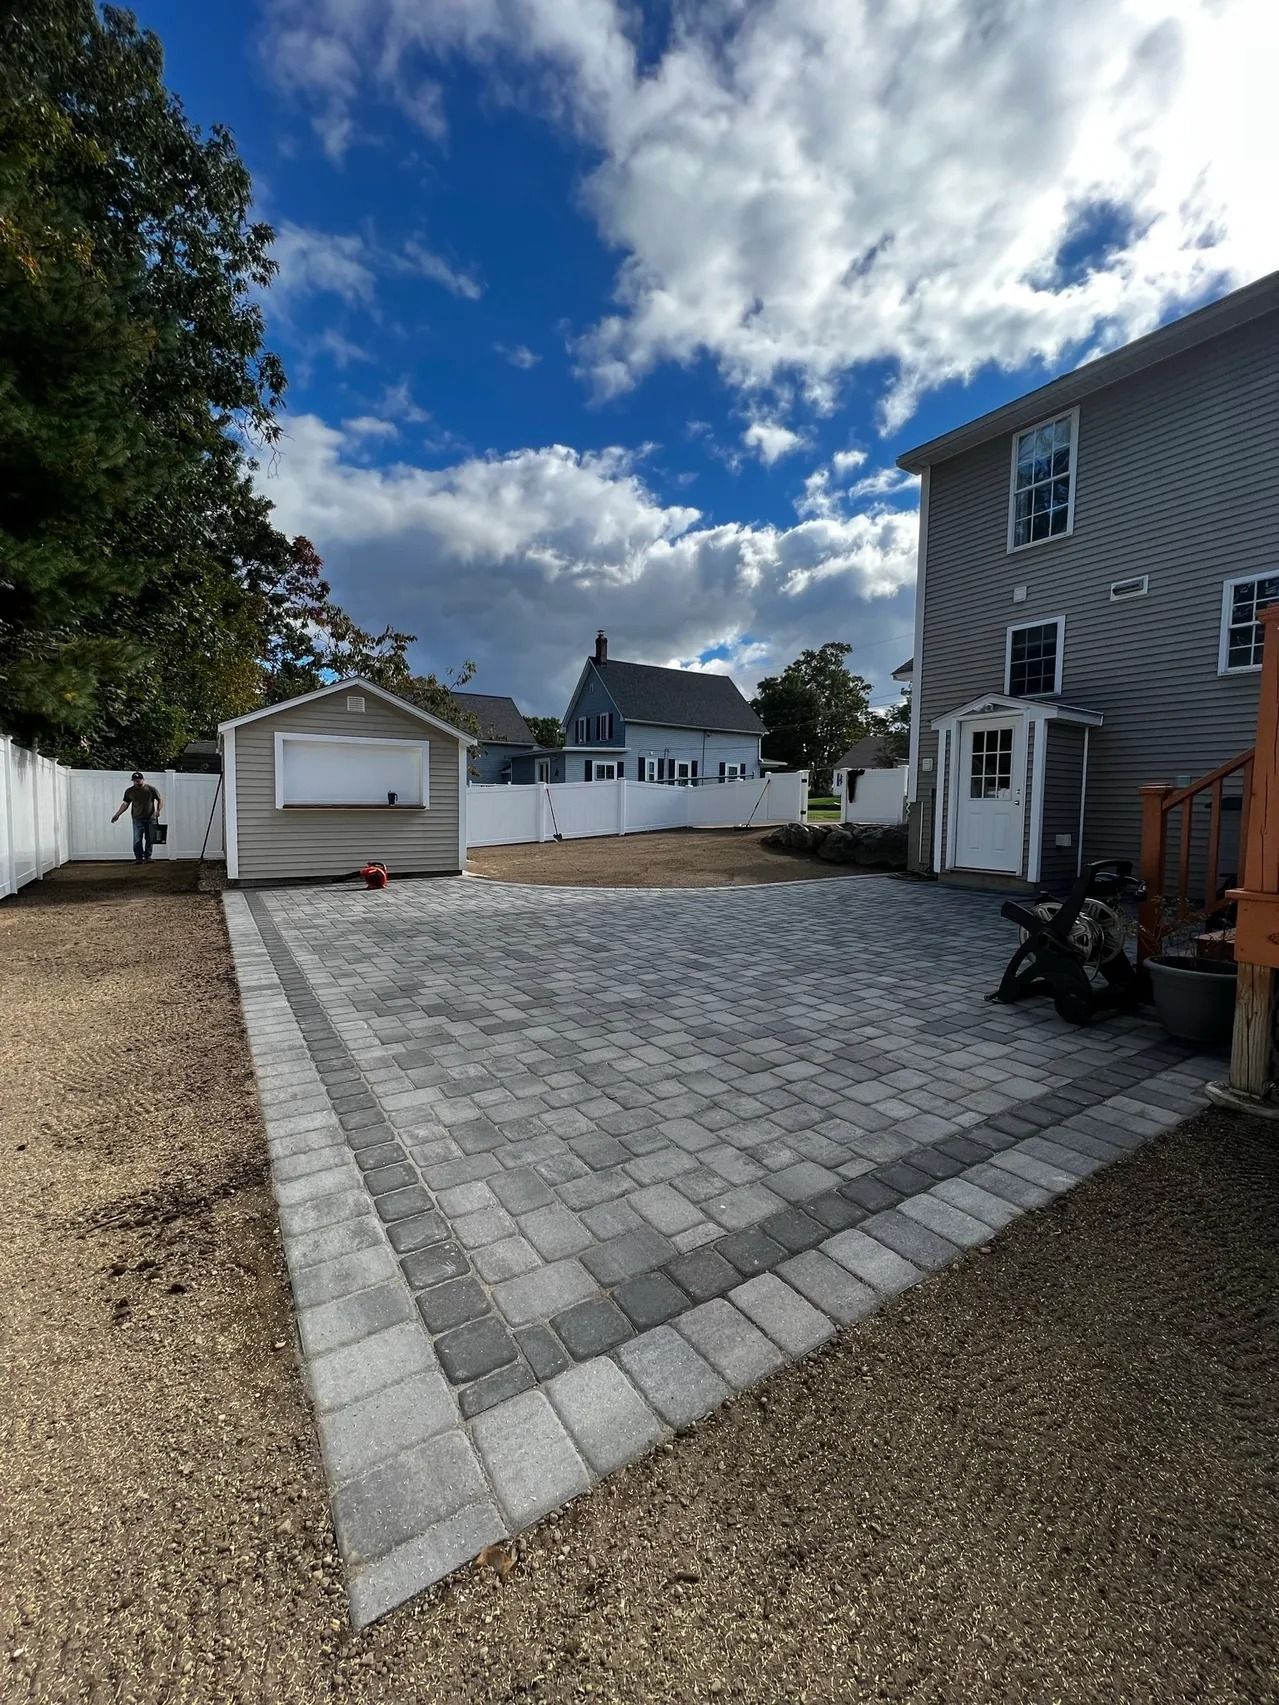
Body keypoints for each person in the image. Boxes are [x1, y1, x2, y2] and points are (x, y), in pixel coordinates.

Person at [112, 772, 164, 863]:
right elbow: (125, 804)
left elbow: (160, 799)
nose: (136, 782)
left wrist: (158, 811)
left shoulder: (151, 789)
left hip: (151, 817)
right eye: (135, 781)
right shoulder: (129, 791)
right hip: (137, 819)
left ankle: (148, 857)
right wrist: (117, 814)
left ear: (143, 779)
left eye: (138, 780)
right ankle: (138, 858)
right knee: (137, 839)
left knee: (150, 838)